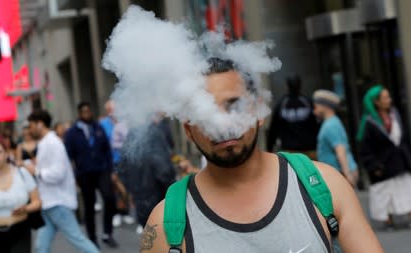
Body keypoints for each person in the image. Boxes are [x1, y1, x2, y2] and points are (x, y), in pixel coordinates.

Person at [142, 58, 383, 253]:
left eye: (234, 106)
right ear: (188, 129)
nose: (222, 124)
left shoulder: (325, 186)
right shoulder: (166, 224)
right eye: (205, 113)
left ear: (259, 111)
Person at [25, 110, 99, 253]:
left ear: (40, 124)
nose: (30, 129)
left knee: (77, 239)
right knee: (41, 246)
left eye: (32, 125)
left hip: (57, 202)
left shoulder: (53, 143)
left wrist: (36, 171)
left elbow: (58, 173)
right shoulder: (47, 142)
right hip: (50, 202)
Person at [64, 102, 118, 248]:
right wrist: (74, 175)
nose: (87, 114)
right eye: (84, 112)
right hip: (84, 173)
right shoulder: (72, 133)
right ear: (79, 113)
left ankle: (108, 233)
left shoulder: (97, 127)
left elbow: (107, 149)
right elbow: (69, 155)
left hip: (102, 170)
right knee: (89, 206)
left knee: (109, 198)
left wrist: (111, 169)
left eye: (89, 111)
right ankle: (92, 238)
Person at [357, 85, 411, 226]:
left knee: (406, 189)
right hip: (382, 168)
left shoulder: (395, 114)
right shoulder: (369, 123)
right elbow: (365, 150)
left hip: (400, 163)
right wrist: (374, 166)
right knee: (384, 195)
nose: (389, 100)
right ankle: (388, 219)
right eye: (385, 97)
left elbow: (404, 139)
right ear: (376, 102)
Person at [121, 120, 176, 230]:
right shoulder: (154, 133)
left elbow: (123, 167)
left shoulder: (131, 134)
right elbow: (163, 170)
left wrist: (130, 190)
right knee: (162, 236)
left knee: (149, 235)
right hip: (156, 195)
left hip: (139, 196)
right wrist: (174, 191)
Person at [100, 100, 134, 228]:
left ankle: (125, 212)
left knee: (126, 187)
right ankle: (116, 213)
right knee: (114, 188)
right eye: (110, 109)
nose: (112, 111)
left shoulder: (124, 122)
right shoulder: (103, 124)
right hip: (111, 161)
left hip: (125, 160)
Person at [267, 76, 320, 159]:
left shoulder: (282, 104)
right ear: (300, 85)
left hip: (291, 150)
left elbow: (273, 128)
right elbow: (316, 123)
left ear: (287, 86)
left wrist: (269, 147)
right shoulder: (307, 102)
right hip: (308, 148)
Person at [313, 90, 358, 186]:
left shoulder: (331, 125)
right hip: (339, 174)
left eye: (317, 104)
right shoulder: (333, 122)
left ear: (325, 106)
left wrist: (347, 175)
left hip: (340, 175)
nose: (314, 108)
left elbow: (340, 150)